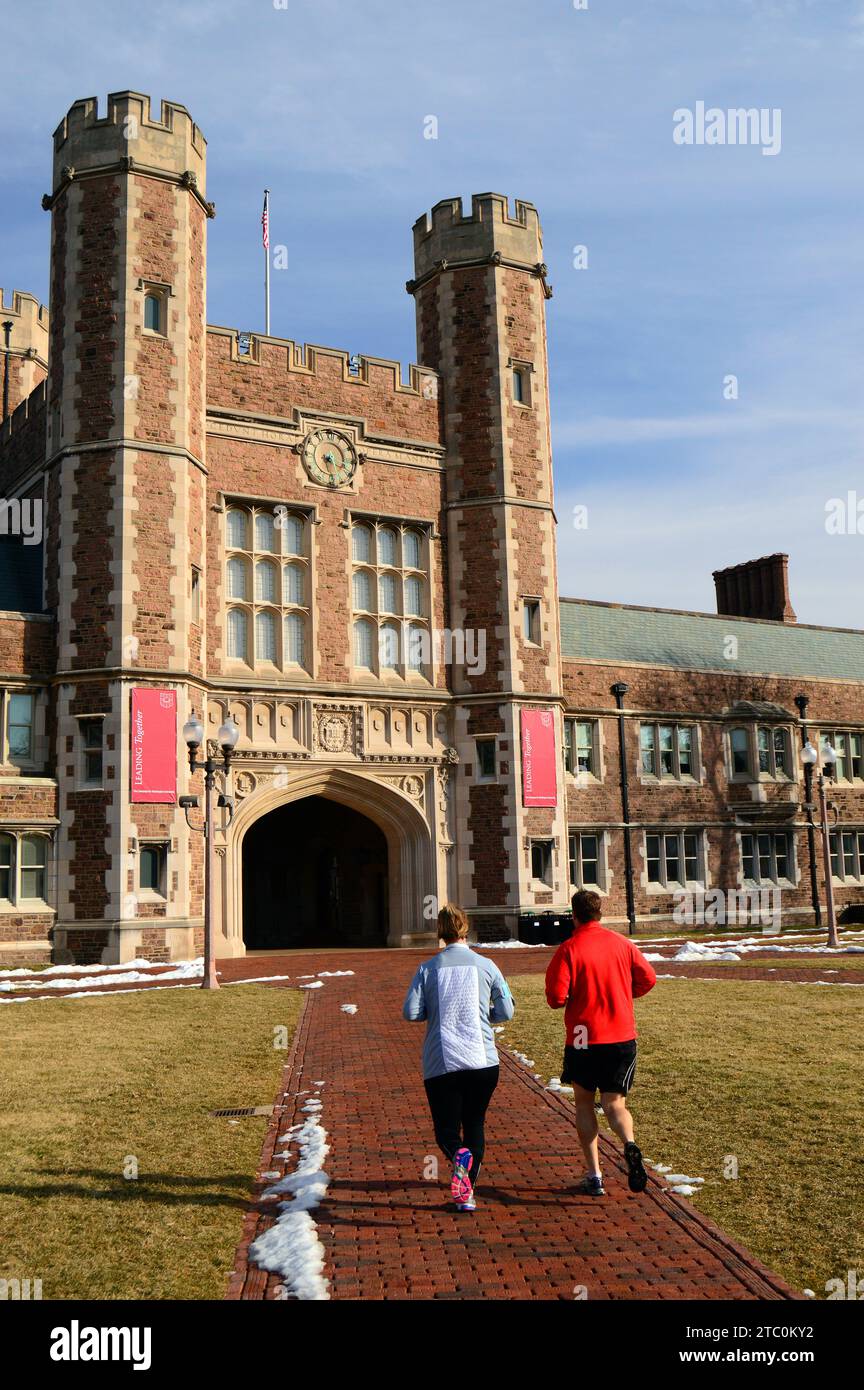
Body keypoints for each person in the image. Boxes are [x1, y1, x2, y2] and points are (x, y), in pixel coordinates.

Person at [403, 903, 515, 1212]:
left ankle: (457, 1159)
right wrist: (484, 1014)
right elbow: (506, 1011)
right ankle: (466, 1191)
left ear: (440, 932)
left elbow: (411, 1012)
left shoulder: (427, 968)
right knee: (475, 1122)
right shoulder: (487, 965)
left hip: (443, 1061)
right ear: (465, 928)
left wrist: (432, 1010)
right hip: (482, 1061)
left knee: (447, 1129)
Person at [545, 888, 656, 1196]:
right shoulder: (623, 944)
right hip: (620, 1035)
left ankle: (594, 1174)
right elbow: (648, 978)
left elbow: (555, 997)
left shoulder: (569, 949)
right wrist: (622, 995)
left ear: (574, 915)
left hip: (583, 1037)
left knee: (584, 1104)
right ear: (600, 913)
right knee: (614, 1103)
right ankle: (630, 1145)